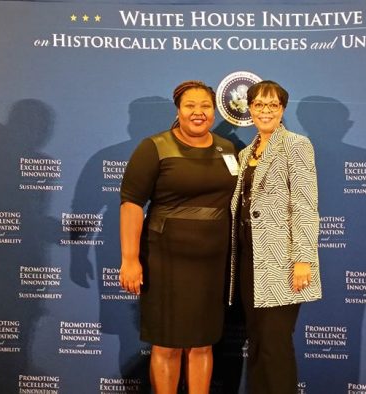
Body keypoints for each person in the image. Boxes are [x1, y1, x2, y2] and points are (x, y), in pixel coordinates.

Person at [119, 81, 238, 394]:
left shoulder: (227, 148)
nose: (198, 113)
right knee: (168, 344)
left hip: (212, 264)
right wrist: (130, 259)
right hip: (165, 261)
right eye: (190, 106)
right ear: (178, 110)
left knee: (203, 342)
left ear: (215, 110)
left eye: (205, 106)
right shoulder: (154, 147)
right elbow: (131, 204)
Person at [229, 80, 322, 393]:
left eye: (272, 105)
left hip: (282, 262)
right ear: (250, 110)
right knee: (256, 343)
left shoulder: (296, 145)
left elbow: (306, 205)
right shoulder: (245, 154)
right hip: (249, 262)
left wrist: (303, 259)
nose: (265, 111)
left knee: (275, 344)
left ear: (282, 110)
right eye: (258, 105)